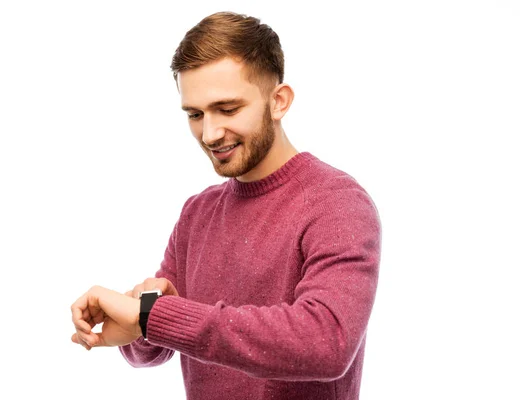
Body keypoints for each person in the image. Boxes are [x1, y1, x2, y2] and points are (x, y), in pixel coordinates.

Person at [71, 11, 381, 400]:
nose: (210, 133)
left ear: (279, 101)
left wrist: (152, 317)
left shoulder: (336, 203)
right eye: (195, 114)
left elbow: (327, 342)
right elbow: (160, 338)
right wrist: (136, 324)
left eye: (228, 109)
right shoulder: (197, 213)